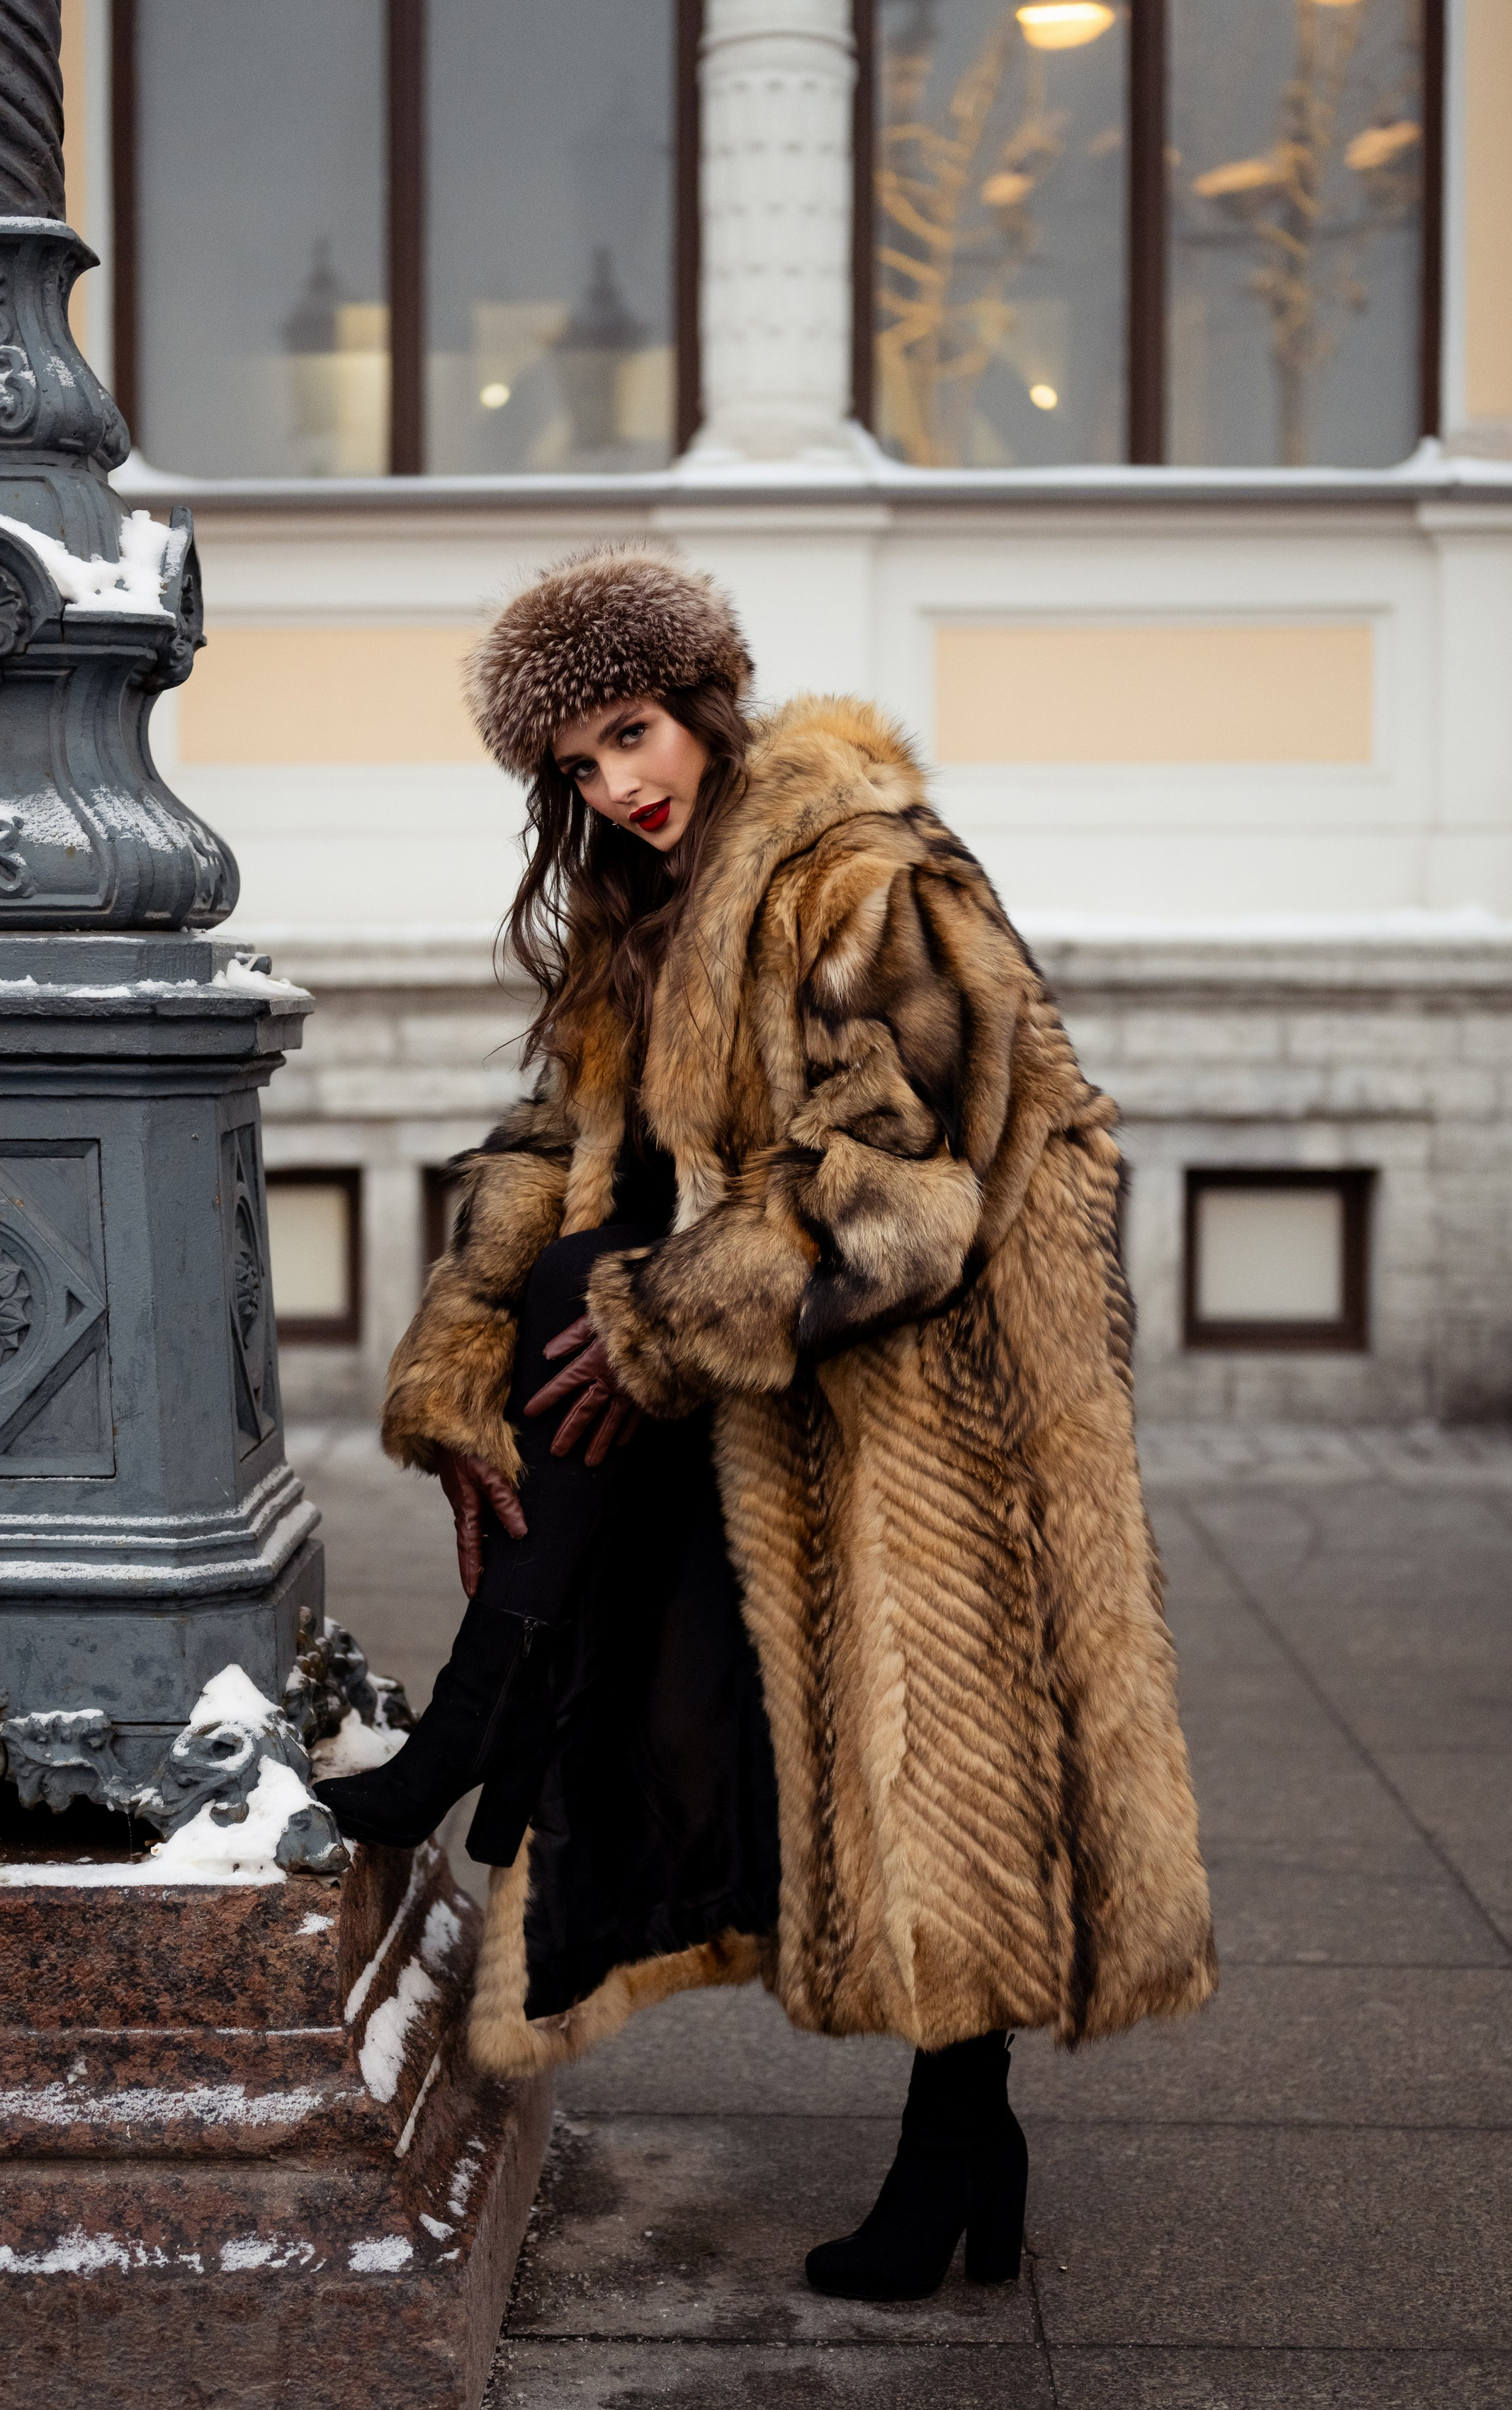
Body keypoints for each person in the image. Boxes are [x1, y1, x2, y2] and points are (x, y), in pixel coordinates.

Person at [314, 547, 1216, 2302]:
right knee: (564, 1289)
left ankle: (953, 2140)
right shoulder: (647, 904)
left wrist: (659, 1323)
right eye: (576, 764)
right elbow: (569, 1142)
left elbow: (905, 1189)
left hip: (928, 1384)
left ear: (706, 706)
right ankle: (493, 1716)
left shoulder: (863, 877)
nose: (614, 785)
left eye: (631, 733)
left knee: (941, 1763)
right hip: (774, 1360)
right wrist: (470, 1353)